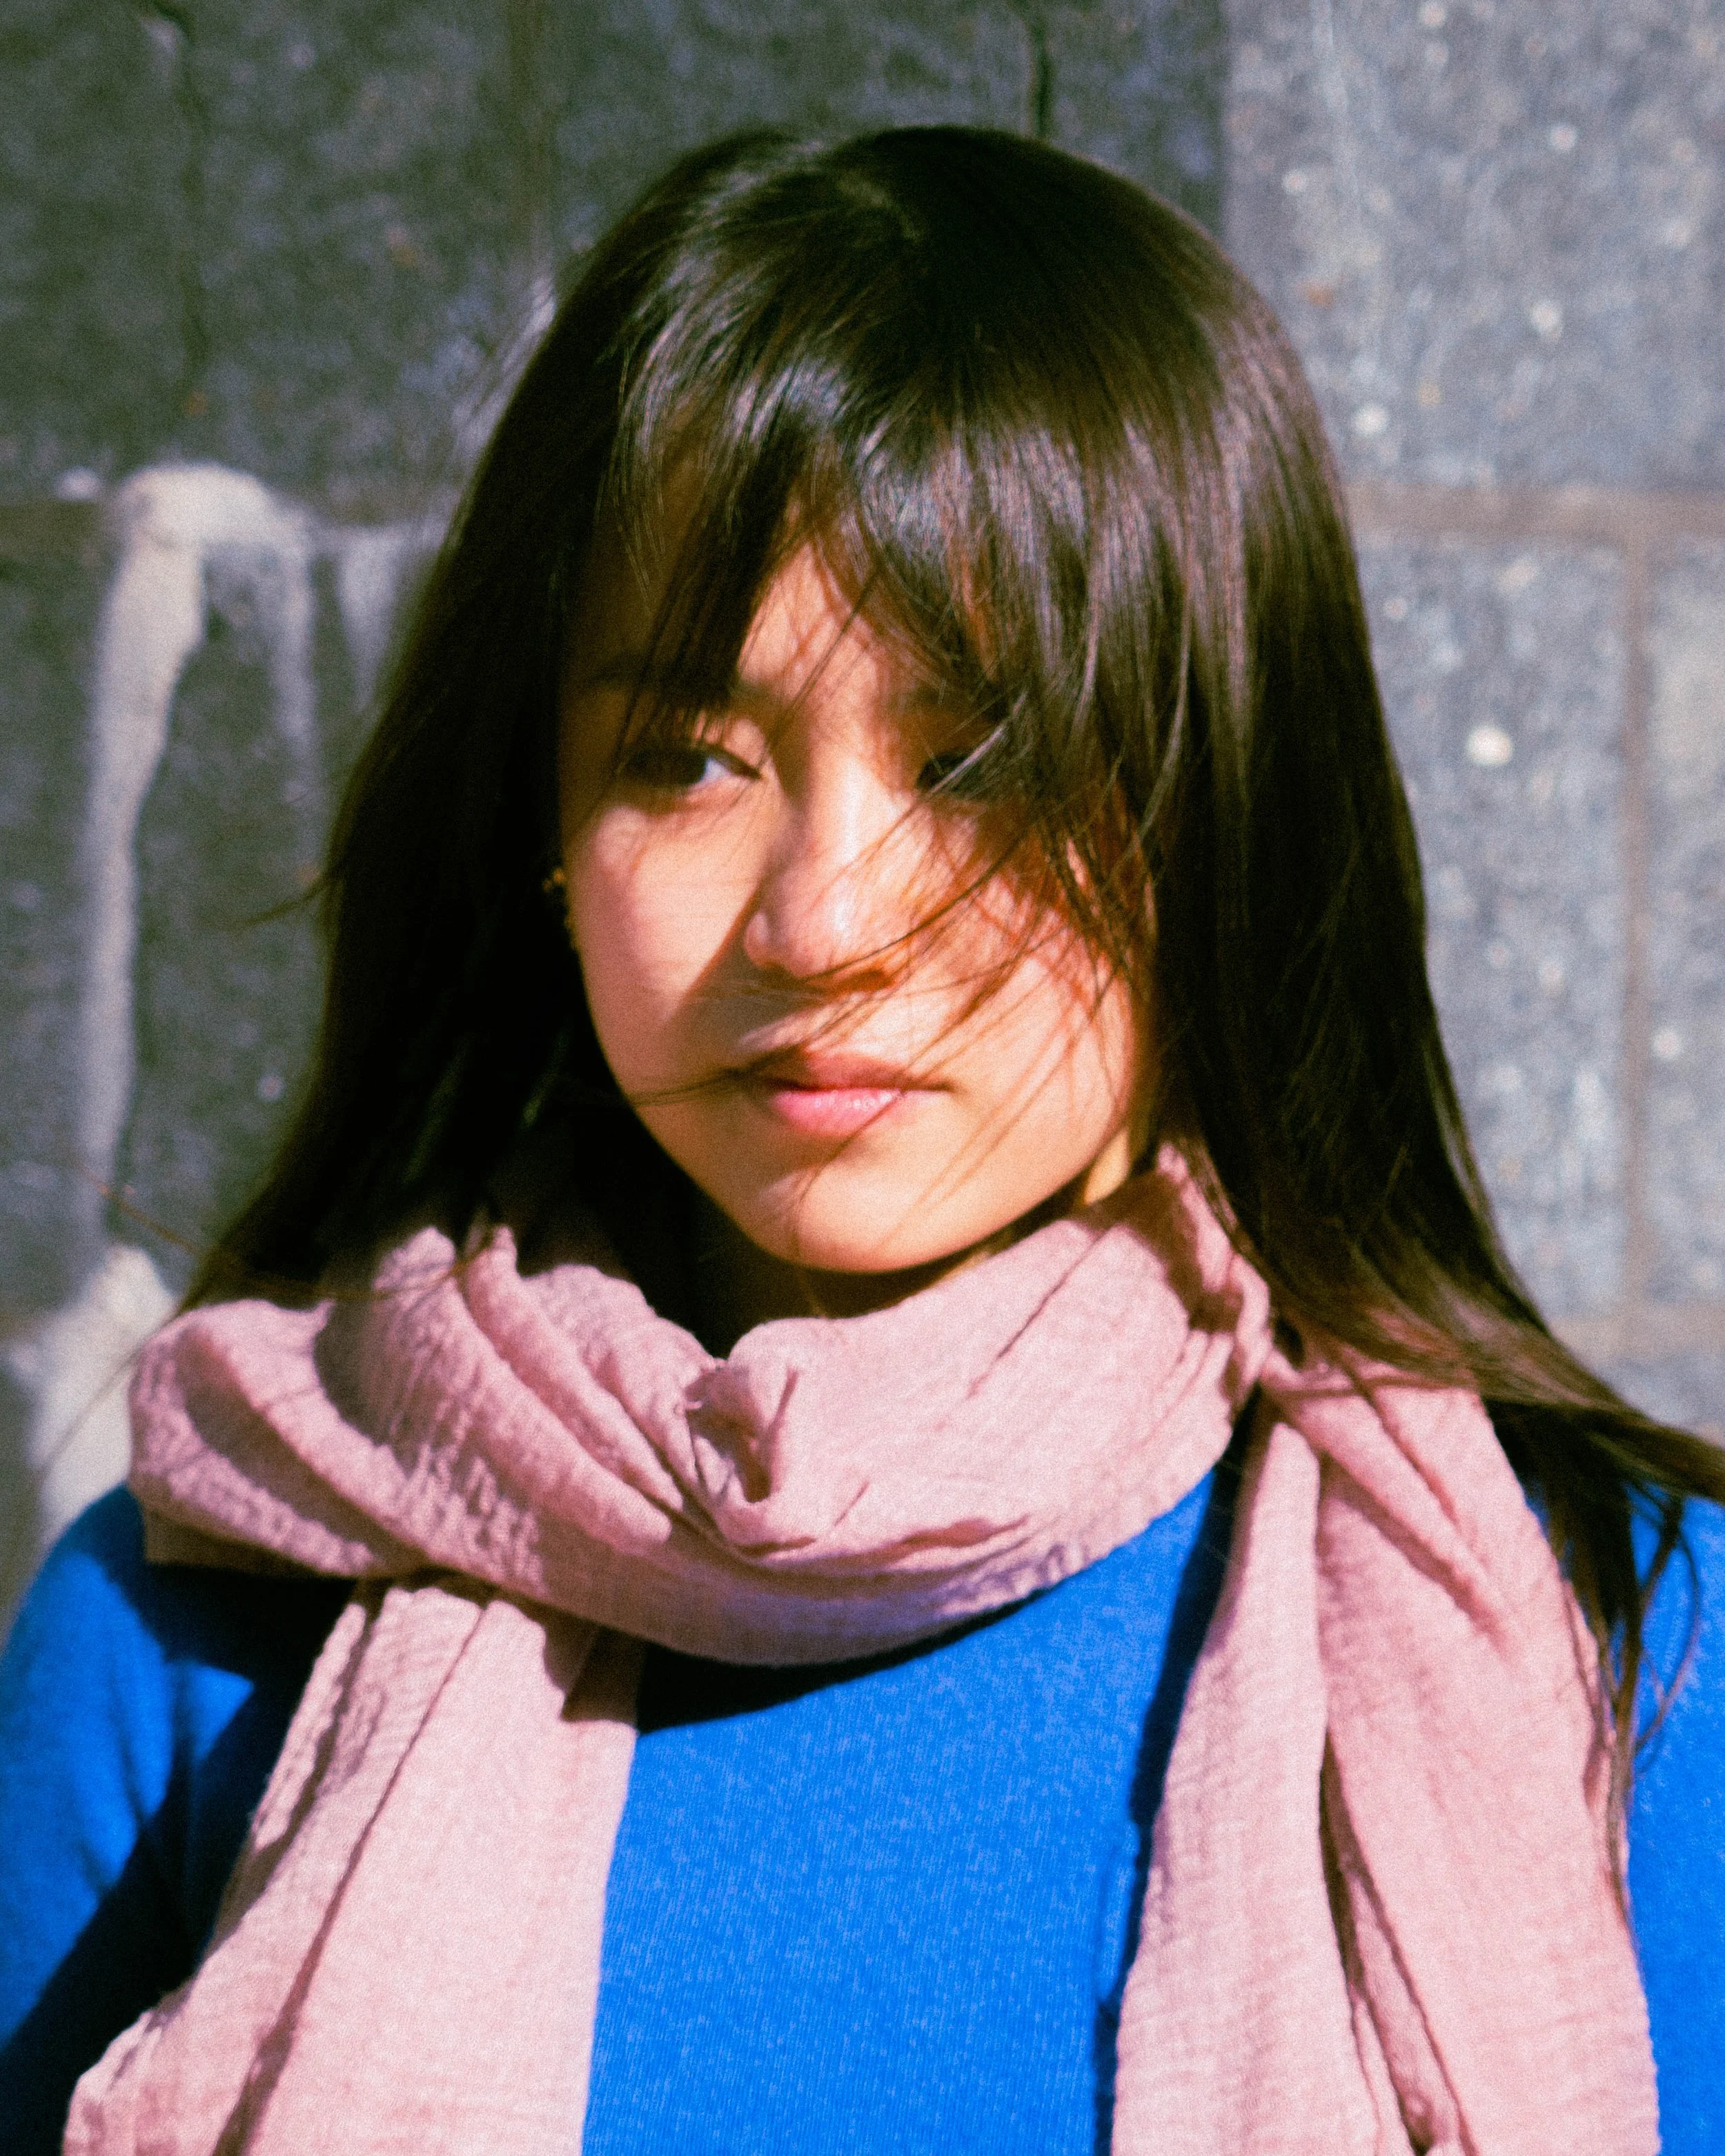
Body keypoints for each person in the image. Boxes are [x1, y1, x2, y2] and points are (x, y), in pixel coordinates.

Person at [1, 124, 1722, 2156]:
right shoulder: (199, 1619)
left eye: (981, 759)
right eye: (685, 757)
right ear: (538, 832)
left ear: (1226, 811)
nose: (822, 918)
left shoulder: (1611, 1640)